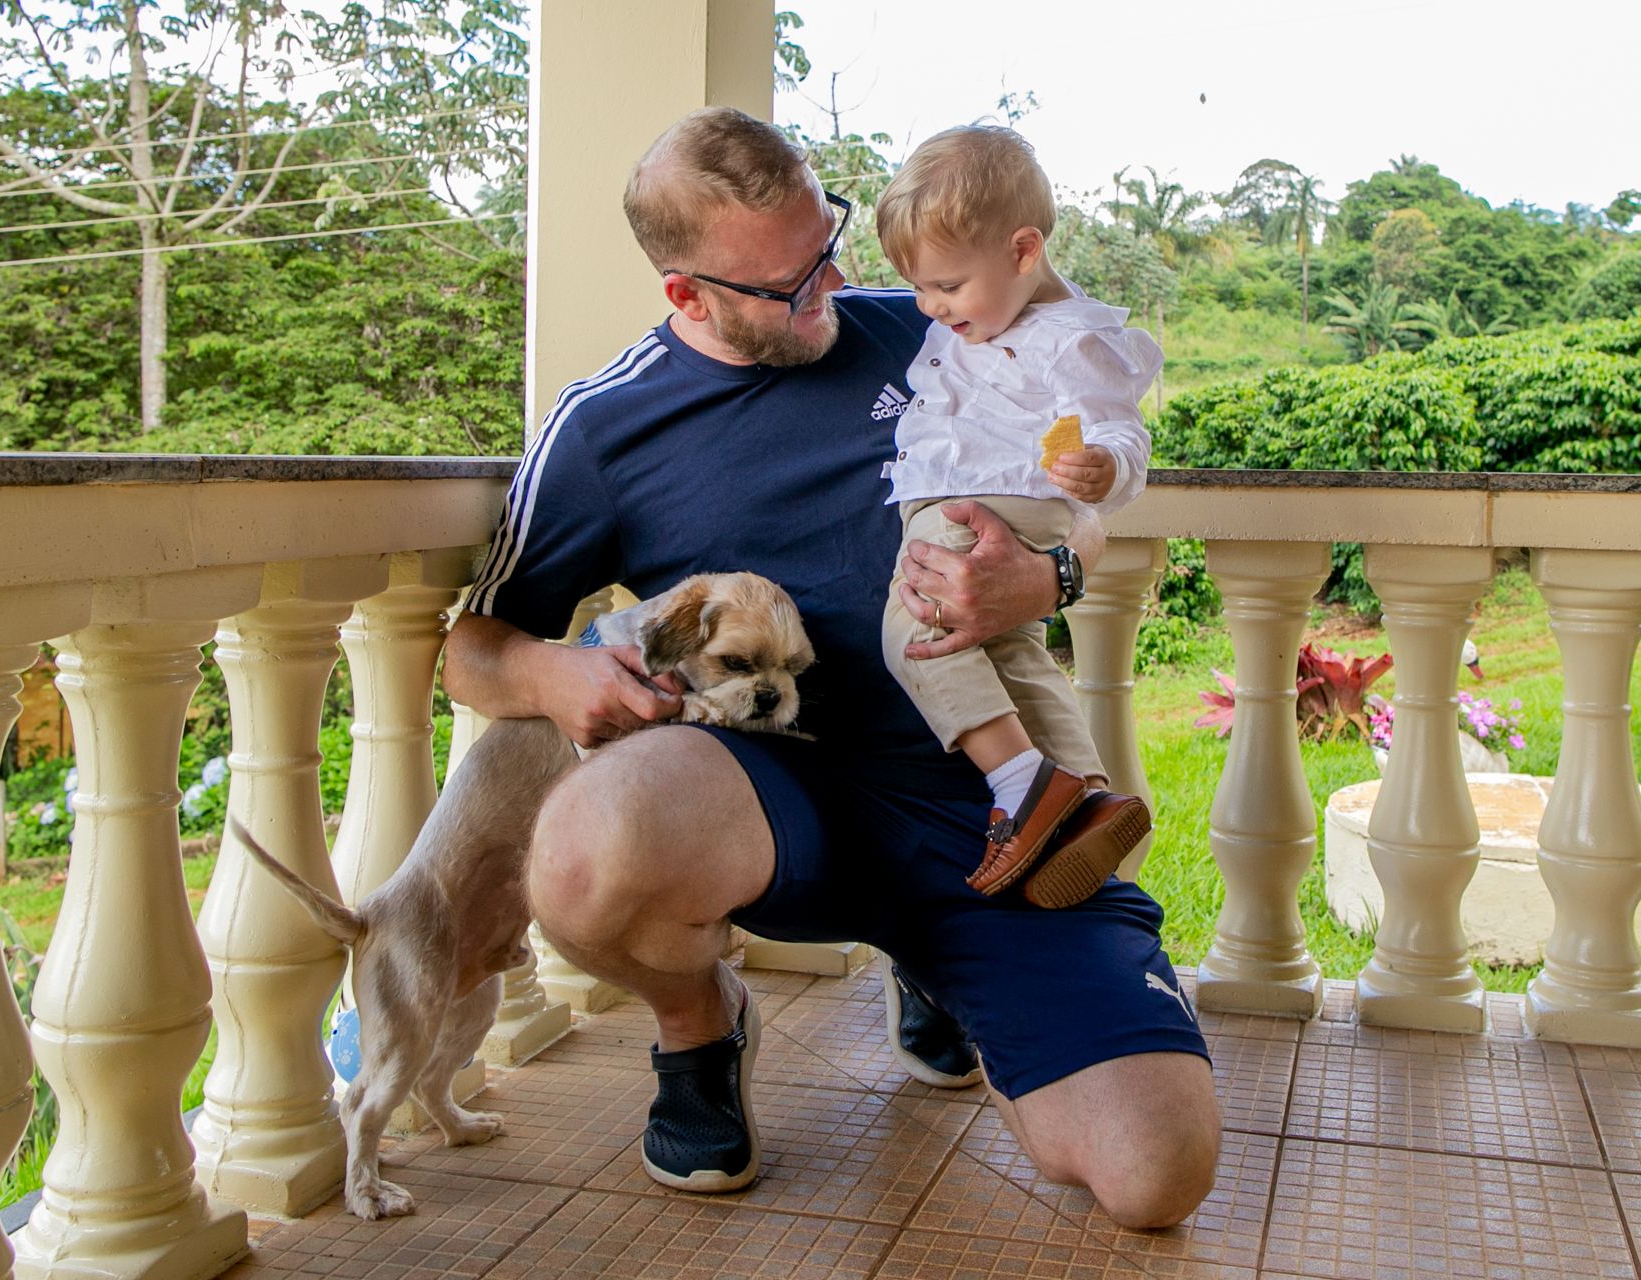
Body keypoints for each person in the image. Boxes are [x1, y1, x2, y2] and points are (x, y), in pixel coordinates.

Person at [442, 106, 1218, 1228]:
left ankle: (949, 968)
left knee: (1158, 1170)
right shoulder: (603, 428)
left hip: (987, 801)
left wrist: (1047, 572)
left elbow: (1075, 478)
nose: (837, 280)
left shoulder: (935, 326)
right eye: (789, 281)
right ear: (688, 293)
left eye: (829, 240)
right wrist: (560, 678)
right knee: (581, 855)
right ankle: (699, 1026)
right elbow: (473, 647)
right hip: (766, 792)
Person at [873, 124, 1163, 909]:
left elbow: (1119, 429)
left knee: (916, 627)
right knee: (1014, 658)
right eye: (919, 289)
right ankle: (1092, 803)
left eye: (947, 286)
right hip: (986, 500)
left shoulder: (1069, 338)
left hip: (987, 500)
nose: (932, 307)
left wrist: (1103, 468)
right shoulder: (989, 310)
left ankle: (1020, 782)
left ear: (1025, 250)